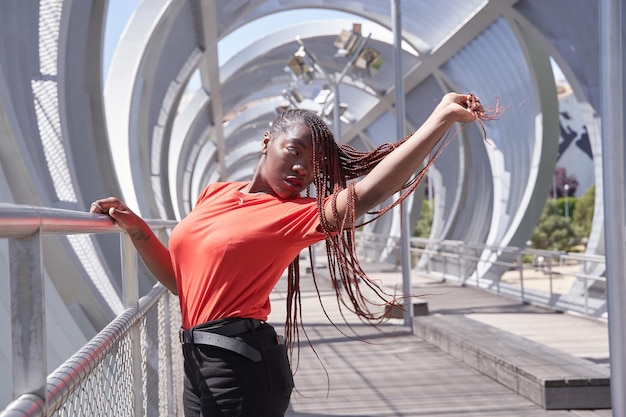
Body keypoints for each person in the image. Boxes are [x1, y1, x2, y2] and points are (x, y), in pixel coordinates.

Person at [90, 92, 484, 416]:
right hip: (198, 362)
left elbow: (369, 194)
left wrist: (440, 120)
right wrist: (138, 230)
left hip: (239, 369)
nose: (302, 169)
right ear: (267, 142)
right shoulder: (216, 193)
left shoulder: (295, 216)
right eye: (294, 151)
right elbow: (182, 283)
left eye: (314, 167)